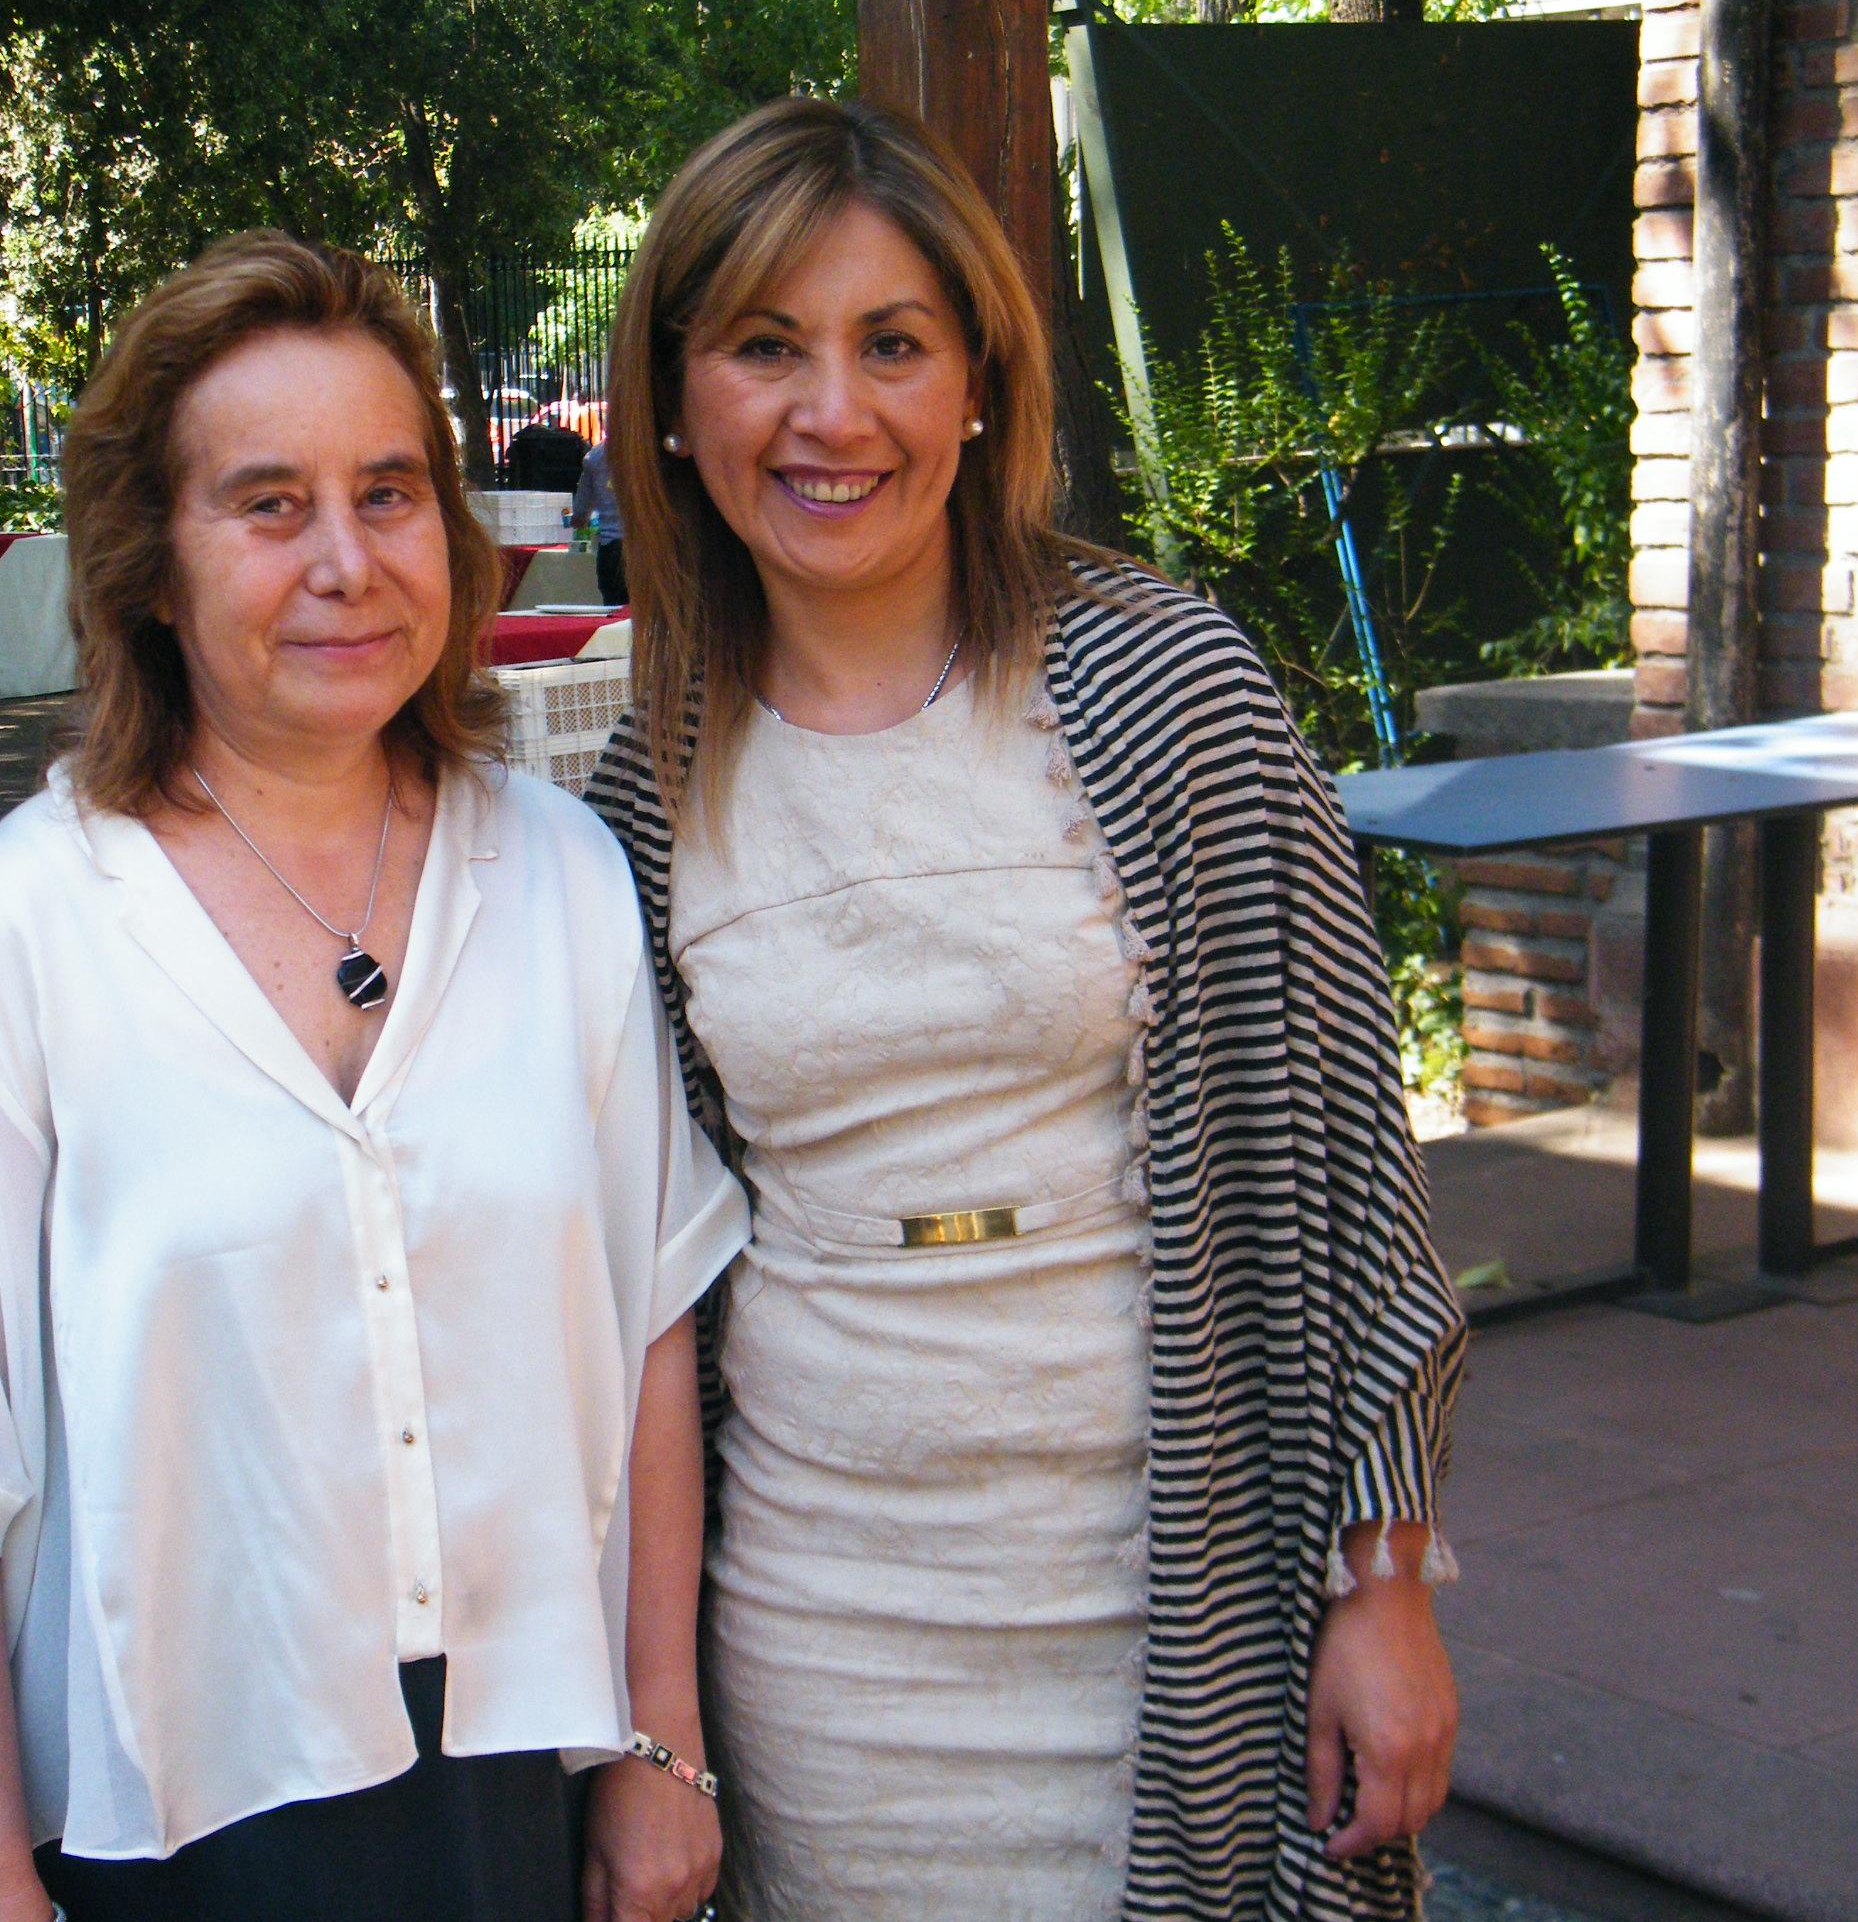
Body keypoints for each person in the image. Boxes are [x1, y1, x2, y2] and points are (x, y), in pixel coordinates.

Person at [0, 232, 741, 1922]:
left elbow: (646, 1313)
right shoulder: (15, 939)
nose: (346, 560)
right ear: (151, 562)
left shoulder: (563, 878)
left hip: (504, 1783)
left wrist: (660, 1739)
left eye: (386, 491)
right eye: (269, 504)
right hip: (171, 1811)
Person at [584, 99, 1466, 1921]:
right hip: (825, 1631)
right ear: (674, 399)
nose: (834, 414)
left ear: (976, 383)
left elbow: (1348, 1164)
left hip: (1181, 1602)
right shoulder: (642, 788)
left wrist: (1379, 1581)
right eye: (765, 347)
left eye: (892, 346)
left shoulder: (1168, 689)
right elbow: (640, 1281)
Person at [575, 438, 628, 607]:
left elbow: (581, 511)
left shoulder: (595, 456)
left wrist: (580, 519)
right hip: (648, 546)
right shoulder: (651, 451)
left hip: (612, 547)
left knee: (614, 608)